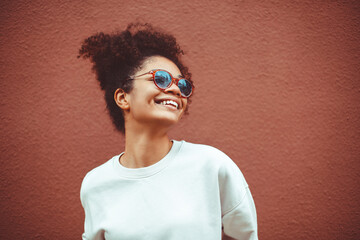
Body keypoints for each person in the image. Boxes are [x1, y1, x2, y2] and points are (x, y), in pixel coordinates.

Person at [79, 23, 258, 240]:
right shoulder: (95, 184)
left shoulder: (212, 166)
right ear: (123, 97)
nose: (175, 89)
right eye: (161, 79)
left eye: (183, 86)